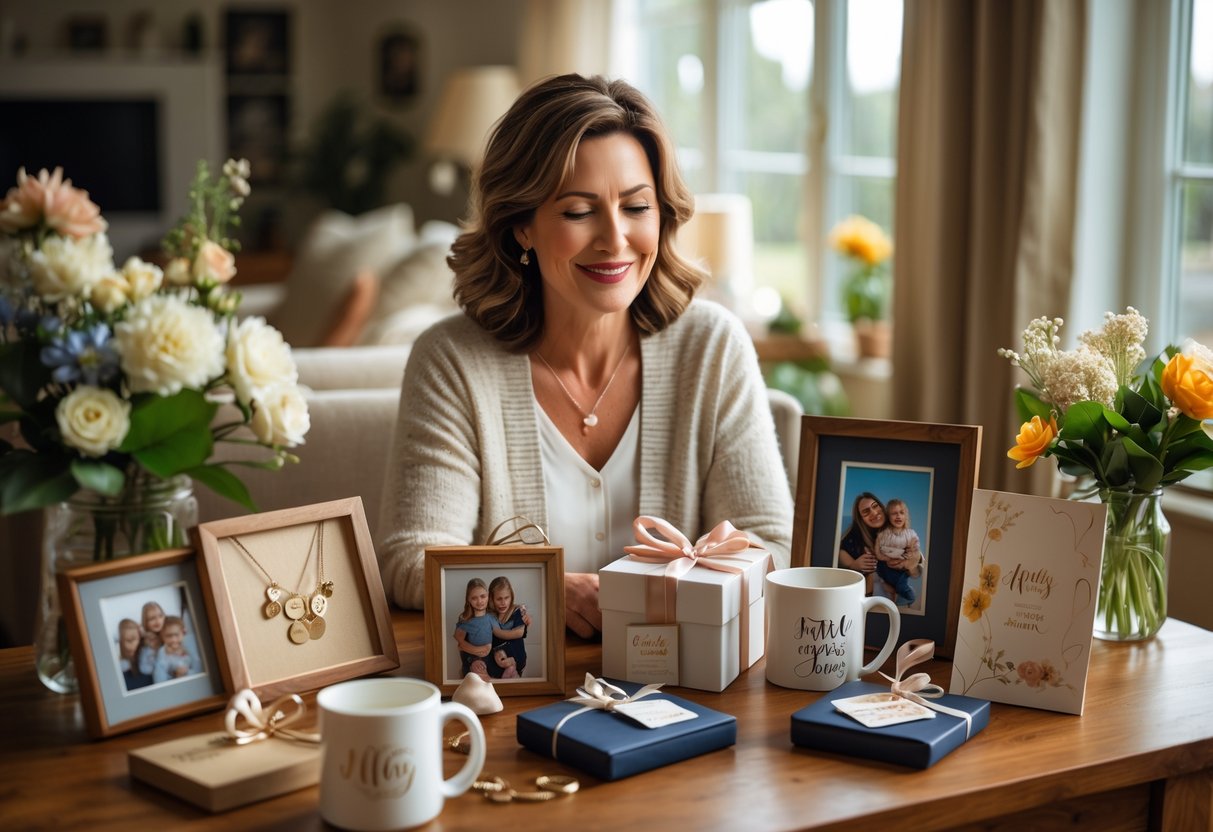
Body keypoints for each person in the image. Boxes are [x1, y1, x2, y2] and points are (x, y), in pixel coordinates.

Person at [377, 74, 793, 637]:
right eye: (578, 211)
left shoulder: (712, 347)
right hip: (509, 692)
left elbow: (774, 545)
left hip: (688, 691)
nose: (615, 239)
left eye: (637, 206)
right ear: (521, 225)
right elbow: (410, 558)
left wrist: (654, 594)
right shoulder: (451, 360)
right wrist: (546, 589)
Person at [874, 498, 923, 605]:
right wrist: (885, 558)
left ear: (906, 516)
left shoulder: (910, 533)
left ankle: (902, 601)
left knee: (904, 590)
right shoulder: (884, 533)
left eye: (902, 513)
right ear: (888, 517)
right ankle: (891, 593)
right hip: (884, 567)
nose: (898, 516)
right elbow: (877, 551)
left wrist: (912, 551)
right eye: (894, 513)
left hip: (900, 571)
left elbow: (915, 549)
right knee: (880, 580)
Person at [487, 575, 530, 678]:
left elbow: (519, 632)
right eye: (499, 599)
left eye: (506, 598)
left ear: (511, 597)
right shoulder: (490, 616)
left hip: (517, 659)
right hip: (498, 663)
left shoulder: (516, 611)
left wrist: (497, 632)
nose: (503, 602)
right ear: (491, 599)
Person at [453, 578, 494, 680]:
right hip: (473, 659)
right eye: (474, 598)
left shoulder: (492, 615)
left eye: (483, 596)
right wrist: (482, 650)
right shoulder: (466, 619)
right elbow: (460, 644)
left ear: (488, 595)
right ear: (468, 600)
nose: (479, 601)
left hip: (492, 658)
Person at [151, 615, 197, 683]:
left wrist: (187, 672)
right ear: (162, 636)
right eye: (168, 636)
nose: (173, 640)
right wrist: (175, 675)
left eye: (176, 635)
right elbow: (159, 680)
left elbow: (200, 668)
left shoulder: (189, 645)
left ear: (183, 633)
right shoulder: (162, 652)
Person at [117, 619, 152, 691]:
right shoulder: (120, 666)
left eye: (137, 639)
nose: (134, 645)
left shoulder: (146, 655)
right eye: (129, 640)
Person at [137, 601, 166, 677]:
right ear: (145, 622)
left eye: (160, 616)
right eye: (152, 618)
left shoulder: (169, 632)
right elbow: (145, 669)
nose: (158, 621)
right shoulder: (146, 643)